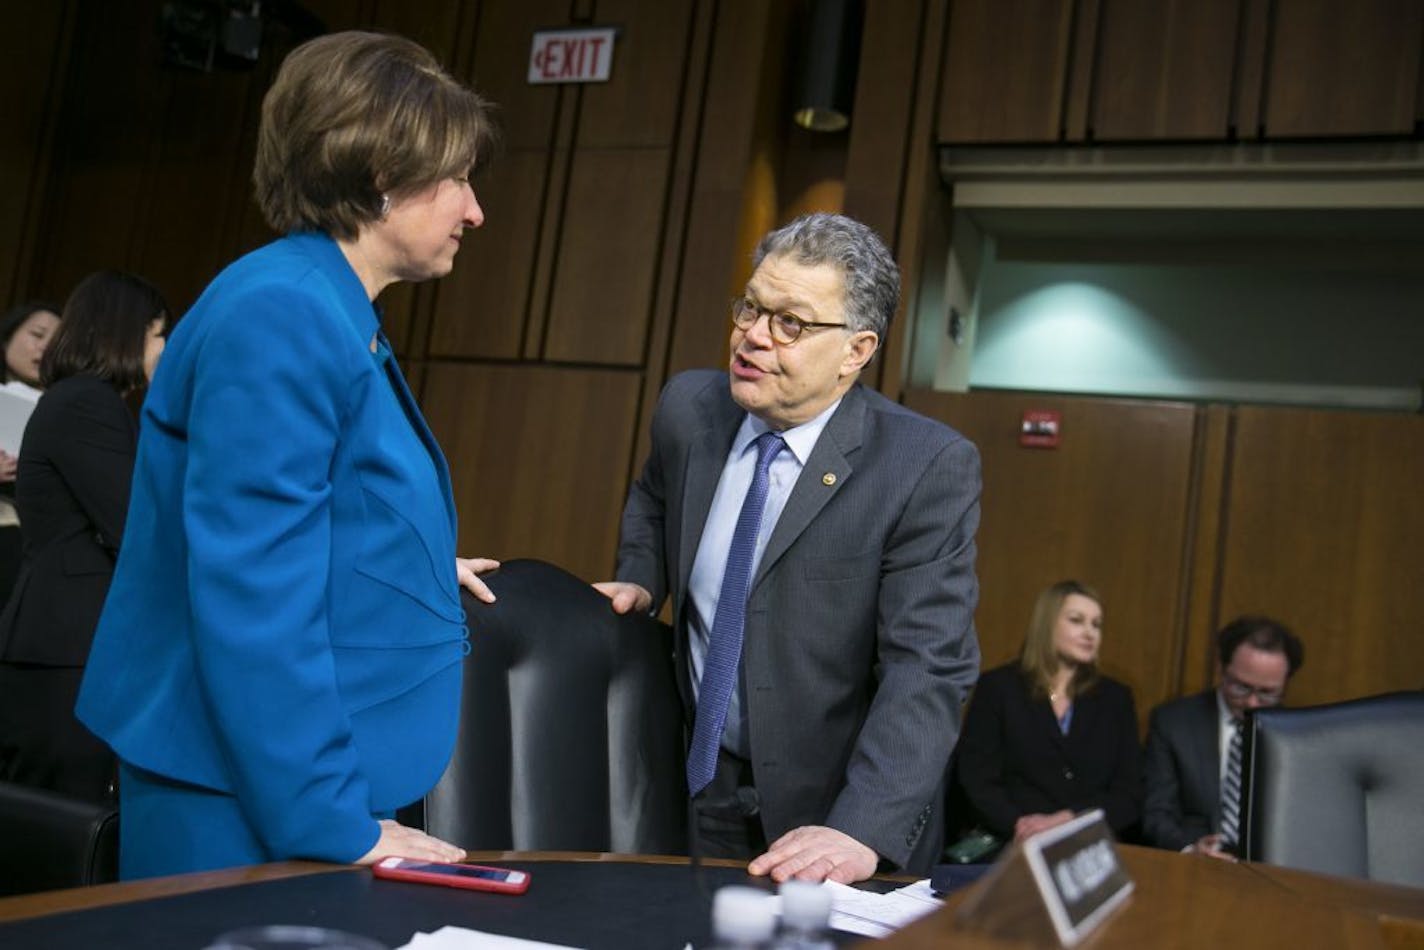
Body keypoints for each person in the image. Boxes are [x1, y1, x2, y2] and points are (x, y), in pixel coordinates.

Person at [75, 31, 500, 879]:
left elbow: (312, 507)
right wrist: (333, 822)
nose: (474, 209)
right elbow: (253, 593)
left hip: (263, 782)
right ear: (382, 176)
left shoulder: (318, 302)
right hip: (241, 795)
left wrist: (412, 564)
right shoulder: (287, 313)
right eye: (456, 178)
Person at [596, 212, 982, 883]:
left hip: (832, 814)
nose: (752, 336)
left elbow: (928, 667)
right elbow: (654, 497)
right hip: (691, 784)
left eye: (791, 323)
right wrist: (640, 575)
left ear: (856, 351)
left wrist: (860, 828)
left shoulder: (923, 466)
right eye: (751, 307)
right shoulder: (691, 407)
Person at [0, 272, 168, 802]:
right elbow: (133, 524)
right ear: (124, 331)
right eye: (158, 332)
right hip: (66, 643)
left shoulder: (89, 401)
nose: (164, 347)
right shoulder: (86, 402)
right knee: (53, 816)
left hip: (67, 642)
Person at [953, 581, 1142, 845]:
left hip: (1087, 844)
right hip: (1007, 841)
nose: (1090, 633)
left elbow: (1129, 794)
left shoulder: (1116, 698)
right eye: (1077, 621)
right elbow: (976, 778)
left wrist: (1068, 819)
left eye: (1096, 624)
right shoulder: (999, 688)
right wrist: (1021, 825)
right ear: (1047, 624)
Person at [1142, 616, 1304, 858]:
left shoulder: (1297, 735)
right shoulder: (1173, 722)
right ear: (1221, 669)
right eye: (1241, 687)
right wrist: (1190, 850)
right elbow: (1156, 813)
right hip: (1197, 866)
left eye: (1268, 693)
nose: (1252, 702)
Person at [0, 302, 62, 602]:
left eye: (57, 343)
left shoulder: (68, 413)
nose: (44, 349)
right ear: (7, 337)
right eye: (37, 335)